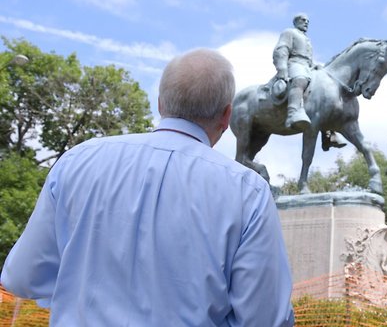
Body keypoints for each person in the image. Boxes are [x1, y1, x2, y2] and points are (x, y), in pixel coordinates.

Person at [1, 48, 295, 327]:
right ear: (227, 115)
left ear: (161, 103)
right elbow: (266, 319)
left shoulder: (78, 160)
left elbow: (22, 277)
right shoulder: (248, 192)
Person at [273, 13, 346, 149]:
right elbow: (281, 49)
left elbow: (308, 59)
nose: (306, 22)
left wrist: (315, 66)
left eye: (307, 21)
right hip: (294, 64)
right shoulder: (289, 32)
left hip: (307, 66)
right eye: (303, 20)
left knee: (324, 91)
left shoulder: (307, 39)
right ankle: (292, 113)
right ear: (295, 22)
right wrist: (282, 67)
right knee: (300, 79)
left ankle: (329, 134)